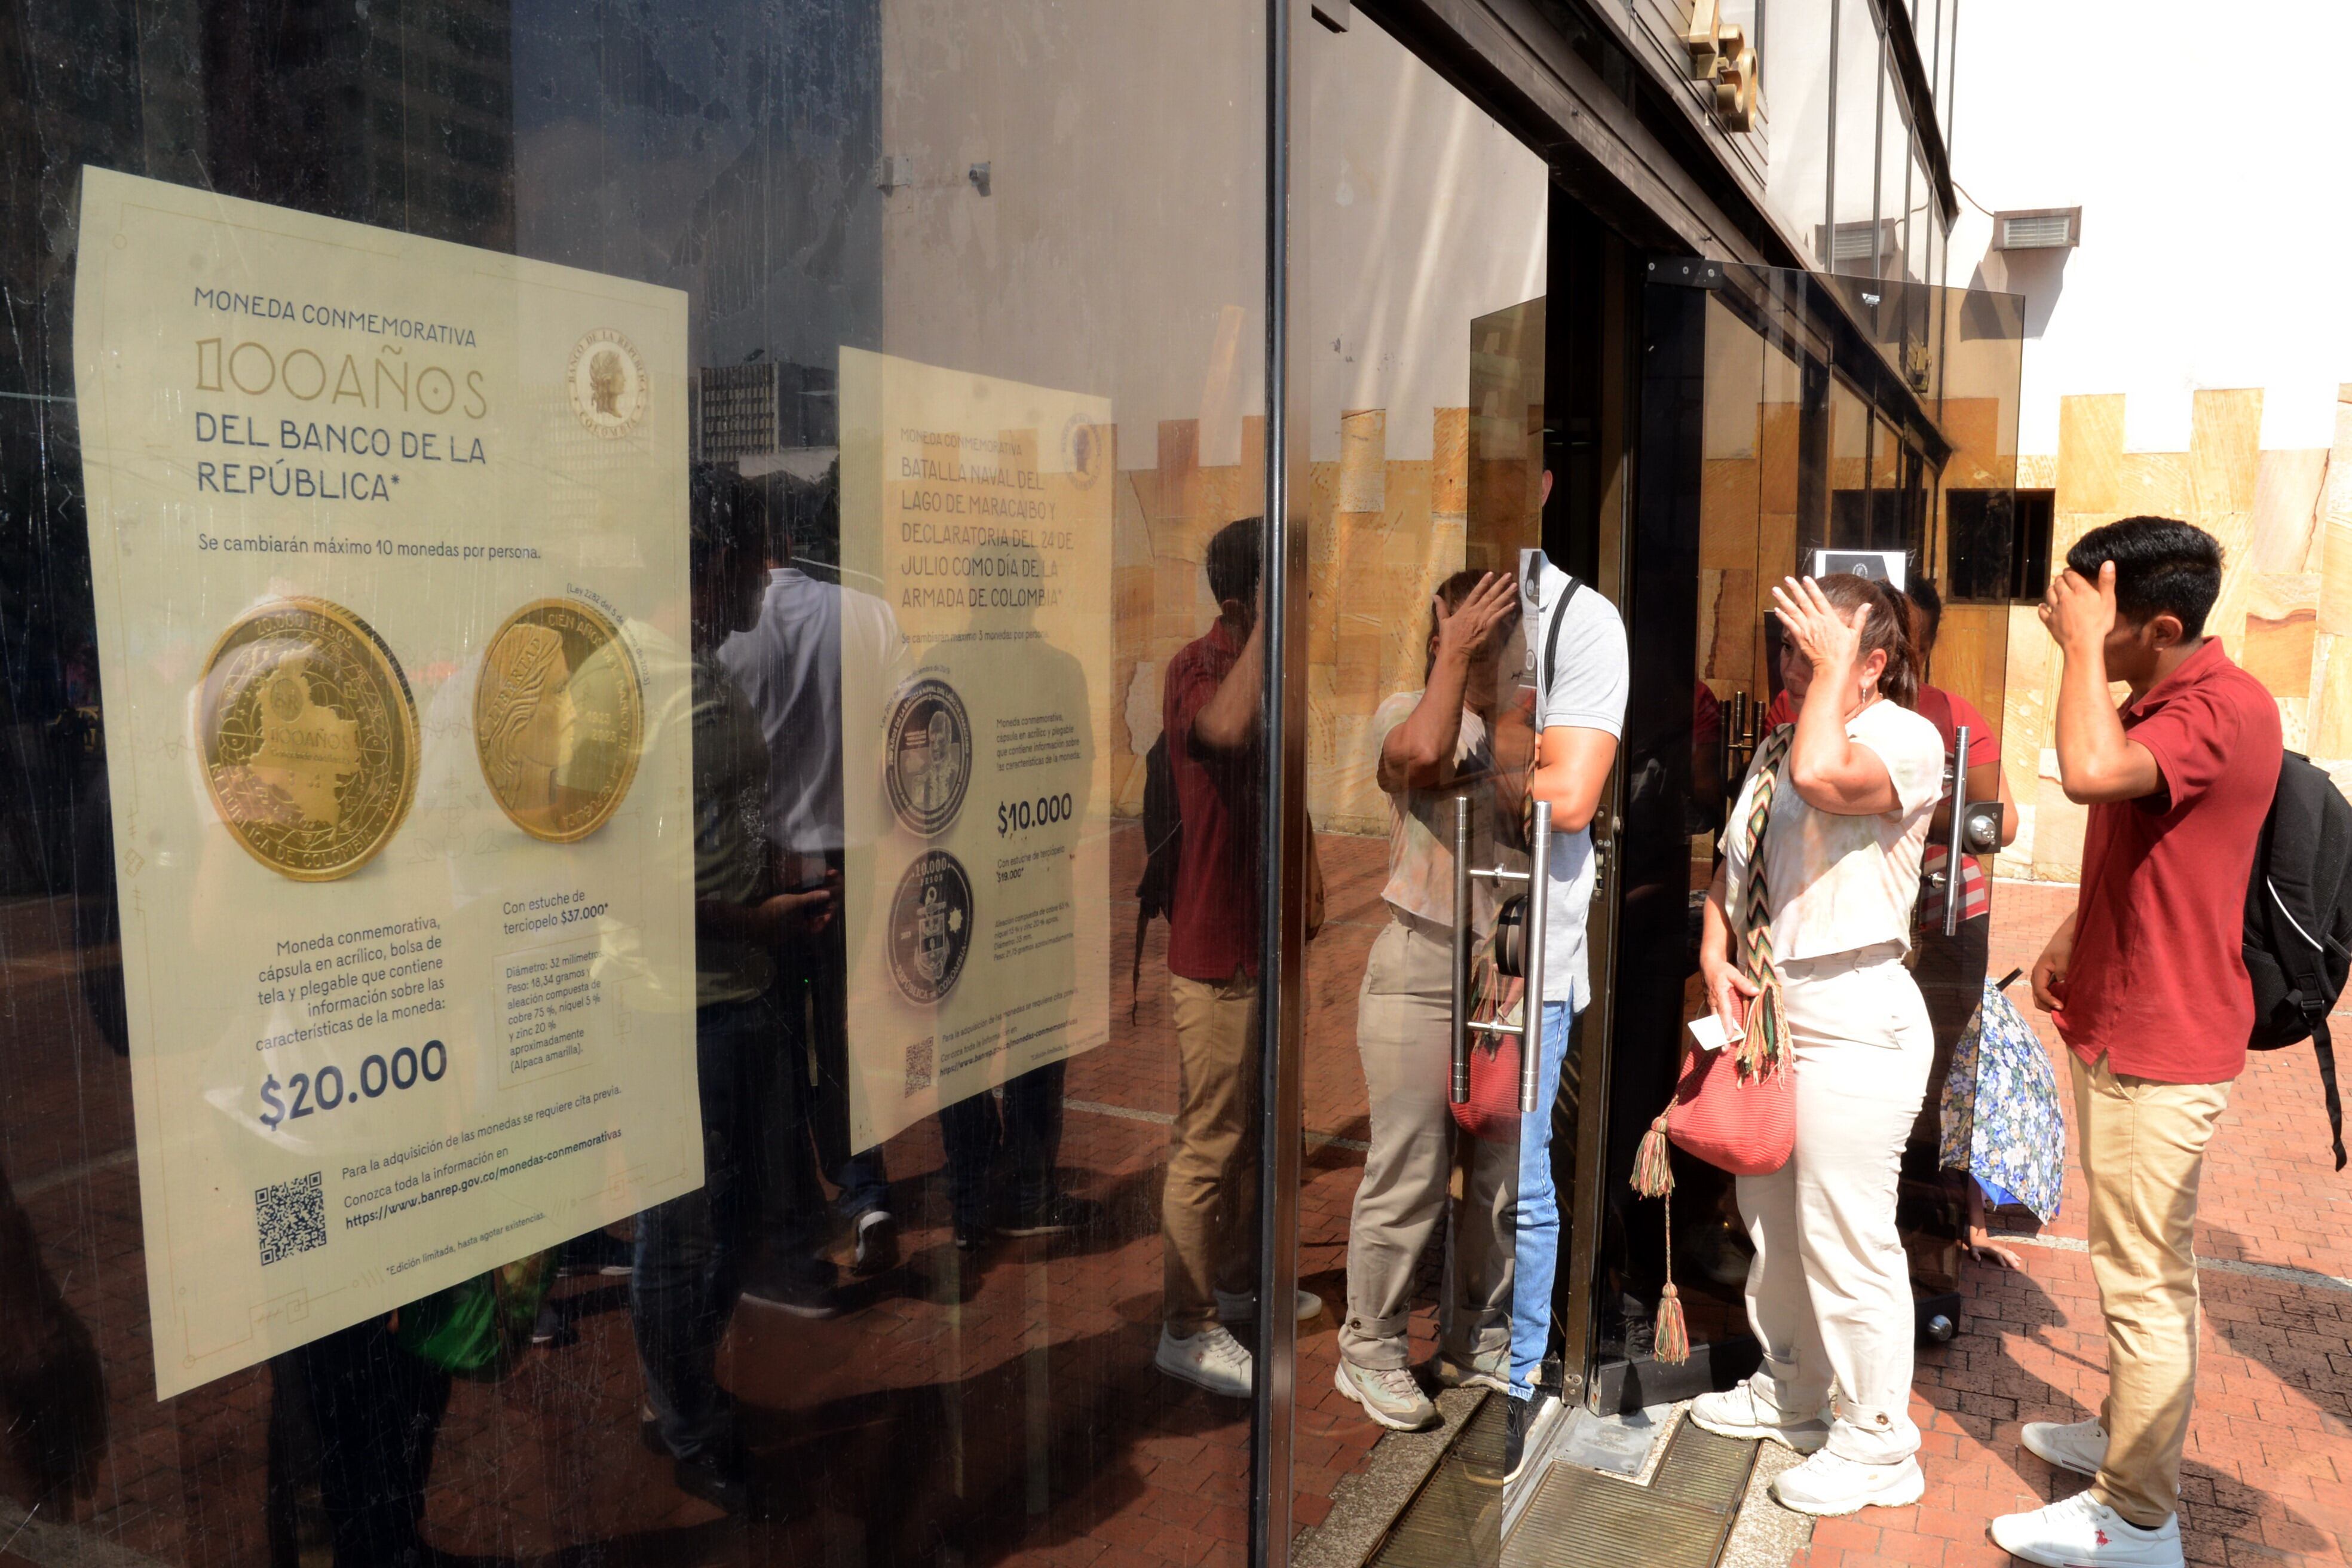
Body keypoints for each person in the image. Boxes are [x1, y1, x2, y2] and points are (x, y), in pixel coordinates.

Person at [1992, 519, 2280, 1568]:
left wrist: (2077, 649)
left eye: (2100, 619)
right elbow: (2152, 848)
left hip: (2163, 1042)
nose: (2077, 630)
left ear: (2161, 627)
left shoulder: (2219, 708)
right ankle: (2125, 1432)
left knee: (2146, 1283)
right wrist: (2074, 933)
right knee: (2133, 1265)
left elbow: (2085, 772)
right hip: (2125, 1022)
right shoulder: (2161, 702)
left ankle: (2138, 1515)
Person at [1685, 574, 1943, 1518]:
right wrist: (1715, 947)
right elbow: (1734, 867)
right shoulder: (1779, 746)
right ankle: (1791, 1389)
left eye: (1820, 647)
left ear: (1874, 664)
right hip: (1777, 1010)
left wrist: (1830, 680)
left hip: (1855, 1014)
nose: (1795, 662)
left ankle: (1879, 1441)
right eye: (1791, 644)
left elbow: (1823, 780)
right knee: (1775, 1220)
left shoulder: (1902, 739)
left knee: (1847, 1233)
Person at [632, 467, 837, 1517]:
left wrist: (774, 875)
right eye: (755, 555)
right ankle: (684, 1416)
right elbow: (622, 881)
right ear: (712, 562)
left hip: (740, 985)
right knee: (682, 1233)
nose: (768, 575)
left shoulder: (704, 667)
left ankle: (682, 1381)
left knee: (740, 1214)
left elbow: (711, 831)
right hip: (675, 1004)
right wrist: (754, 920)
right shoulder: (634, 685)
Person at [1334, 569, 1523, 1431]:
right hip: (1421, 963)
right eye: (1482, 637)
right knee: (1409, 1168)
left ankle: (1474, 1332)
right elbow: (1417, 759)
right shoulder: (1408, 709)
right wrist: (1453, 656)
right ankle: (1369, 1348)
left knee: (1498, 1174)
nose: (1499, 654)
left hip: (1501, 966)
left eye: (1504, 639)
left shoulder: (1517, 726)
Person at [719, 464, 902, 1284]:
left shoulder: (725, 631)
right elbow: (910, 725)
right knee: (835, 1027)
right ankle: (863, 1191)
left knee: (779, 1043)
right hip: (848, 853)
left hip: (762, 866)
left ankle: (806, 1208)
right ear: (798, 538)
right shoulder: (868, 613)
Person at [1154, 516, 1318, 1398]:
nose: (1303, 597)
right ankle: (1185, 1325)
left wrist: (1311, 877)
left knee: (1258, 1131)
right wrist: (1266, 631)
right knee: (1208, 1141)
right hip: (1215, 949)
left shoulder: (1271, 665)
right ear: (1238, 599)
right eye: (1284, 582)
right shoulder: (1200, 666)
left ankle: (1235, 1282)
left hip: (1265, 942)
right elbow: (1222, 731)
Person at [1492, 511, 1627, 1479]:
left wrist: (1496, 741)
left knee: (1522, 1170)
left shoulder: (1581, 618)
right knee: (1434, 1164)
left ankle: (1519, 1371)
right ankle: (1469, 1333)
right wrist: (1521, 746)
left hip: (1527, 949)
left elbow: (1569, 796)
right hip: (1433, 928)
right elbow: (1400, 755)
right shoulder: (1449, 593)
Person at [1897, 579, 2023, 1265]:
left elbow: (2000, 822)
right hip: (1872, 911)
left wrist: (1913, 811)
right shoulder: (1819, 706)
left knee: (1945, 1059)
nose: (1899, 653)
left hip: (1947, 907)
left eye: (1912, 640)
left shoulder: (1953, 712)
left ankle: (1936, 1211)